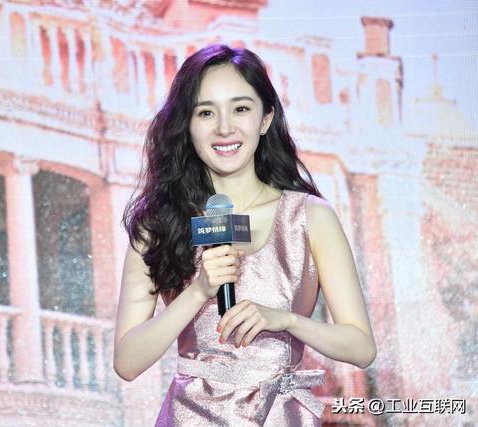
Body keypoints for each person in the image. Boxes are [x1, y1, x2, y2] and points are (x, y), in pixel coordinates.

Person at [114, 44, 376, 426]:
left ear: (265, 118)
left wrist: (287, 321)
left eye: (240, 109)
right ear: (187, 125)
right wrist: (199, 291)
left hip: (280, 415)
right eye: (206, 112)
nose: (224, 128)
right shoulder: (159, 223)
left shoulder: (310, 217)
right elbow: (127, 362)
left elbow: (361, 347)